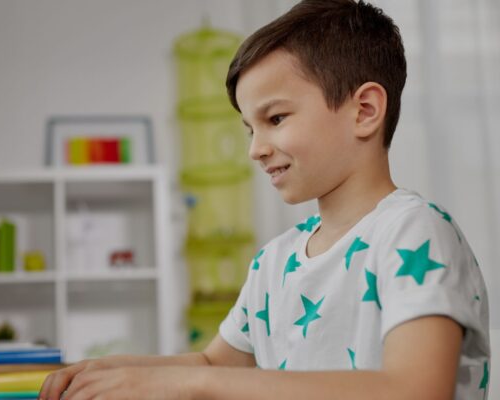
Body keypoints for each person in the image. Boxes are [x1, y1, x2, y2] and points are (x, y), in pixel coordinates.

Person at [39, 1, 491, 399]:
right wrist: (102, 372)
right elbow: (213, 365)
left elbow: (414, 391)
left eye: (275, 118)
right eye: (250, 129)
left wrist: (191, 386)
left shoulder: (413, 232)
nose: (255, 148)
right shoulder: (274, 262)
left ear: (365, 111)